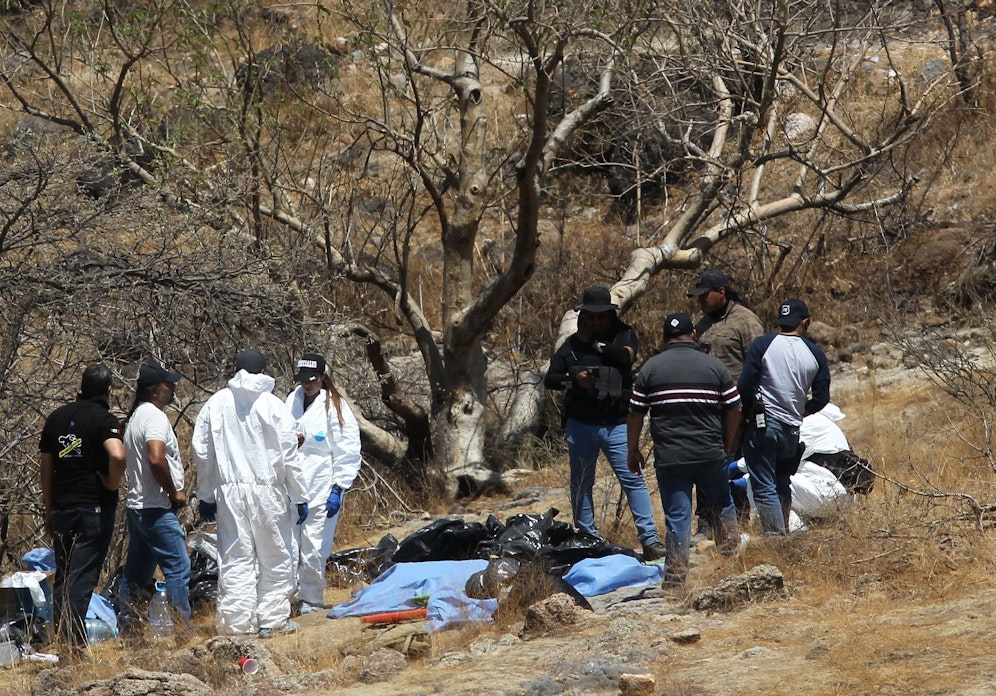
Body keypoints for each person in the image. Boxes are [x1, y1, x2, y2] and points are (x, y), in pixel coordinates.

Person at [192, 349, 309, 637]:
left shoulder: (216, 403)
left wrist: (206, 494)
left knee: (235, 558)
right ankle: (273, 620)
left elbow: (202, 452)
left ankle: (236, 625)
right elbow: (289, 455)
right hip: (269, 492)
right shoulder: (273, 404)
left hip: (229, 493)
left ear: (236, 370)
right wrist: (299, 495)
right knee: (275, 556)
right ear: (264, 372)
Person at [544, 286, 666, 561]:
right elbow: (551, 378)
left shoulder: (624, 334)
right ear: (583, 316)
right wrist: (575, 380)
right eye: (591, 317)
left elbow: (625, 357)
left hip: (617, 423)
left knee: (633, 479)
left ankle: (649, 540)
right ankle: (587, 540)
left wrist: (596, 344)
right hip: (581, 423)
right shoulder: (572, 345)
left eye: (601, 316)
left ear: (610, 314)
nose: (596, 321)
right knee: (581, 483)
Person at [627, 312, 743, 588]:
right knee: (722, 504)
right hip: (709, 452)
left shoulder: (651, 369)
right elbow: (735, 407)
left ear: (664, 338)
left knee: (678, 516)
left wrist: (632, 449)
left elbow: (635, 414)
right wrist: (727, 441)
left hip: (671, 457)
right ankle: (734, 568)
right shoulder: (714, 366)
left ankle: (676, 580)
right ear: (693, 334)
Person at [39, 363, 125, 647]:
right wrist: (111, 483)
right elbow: (118, 454)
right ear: (108, 389)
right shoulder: (104, 419)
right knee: (82, 578)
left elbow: (45, 467)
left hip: (62, 508)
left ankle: (60, 639)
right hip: (94, 509)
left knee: (63, 576)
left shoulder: (56, 418)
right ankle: (73, 643)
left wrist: (49, 509)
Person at [737, 299, 831, 535]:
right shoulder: (815, 354)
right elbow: (822, 398)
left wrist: (745, 415)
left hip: (763, 424)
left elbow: (745, 386)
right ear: (805, 322)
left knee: (764, 485)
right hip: (792, 429)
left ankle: (775, 538)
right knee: (781, 482)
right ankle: (783, 532)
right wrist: (802, 410)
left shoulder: (763, 345)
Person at [687, 269, 764, 538]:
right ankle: (707, 522)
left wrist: (747, 409)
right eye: (697, 297)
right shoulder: (702, 324)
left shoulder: (746, 321)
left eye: (705, 295)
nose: (700, 301)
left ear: (722, 292)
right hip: (706, 411)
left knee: (733, 466)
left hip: (737, 410)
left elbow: (760, 367)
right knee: (704, 466)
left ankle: (737, 522)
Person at [285, 353, 362, 615]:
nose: (307, 384)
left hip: (321, 486)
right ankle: (288, 599)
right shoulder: (291, 401)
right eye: (303, 380)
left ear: (323, 377)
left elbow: (347, 450)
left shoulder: (335, 407)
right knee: (288, 548)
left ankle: (312, 599)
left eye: (312, 379)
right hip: (292, 486)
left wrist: (338, 487)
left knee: (314, 547)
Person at [118, 362, 190, 627]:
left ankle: (128, 630)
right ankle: (182, 629)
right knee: (178, 568)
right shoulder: (155, 417)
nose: (173, 388)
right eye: (168, 385)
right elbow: (156, 459)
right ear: (155, 390)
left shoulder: (136, 416)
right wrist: (174, 493)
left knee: (136, 574)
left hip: (138, 507)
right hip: (156, 508)